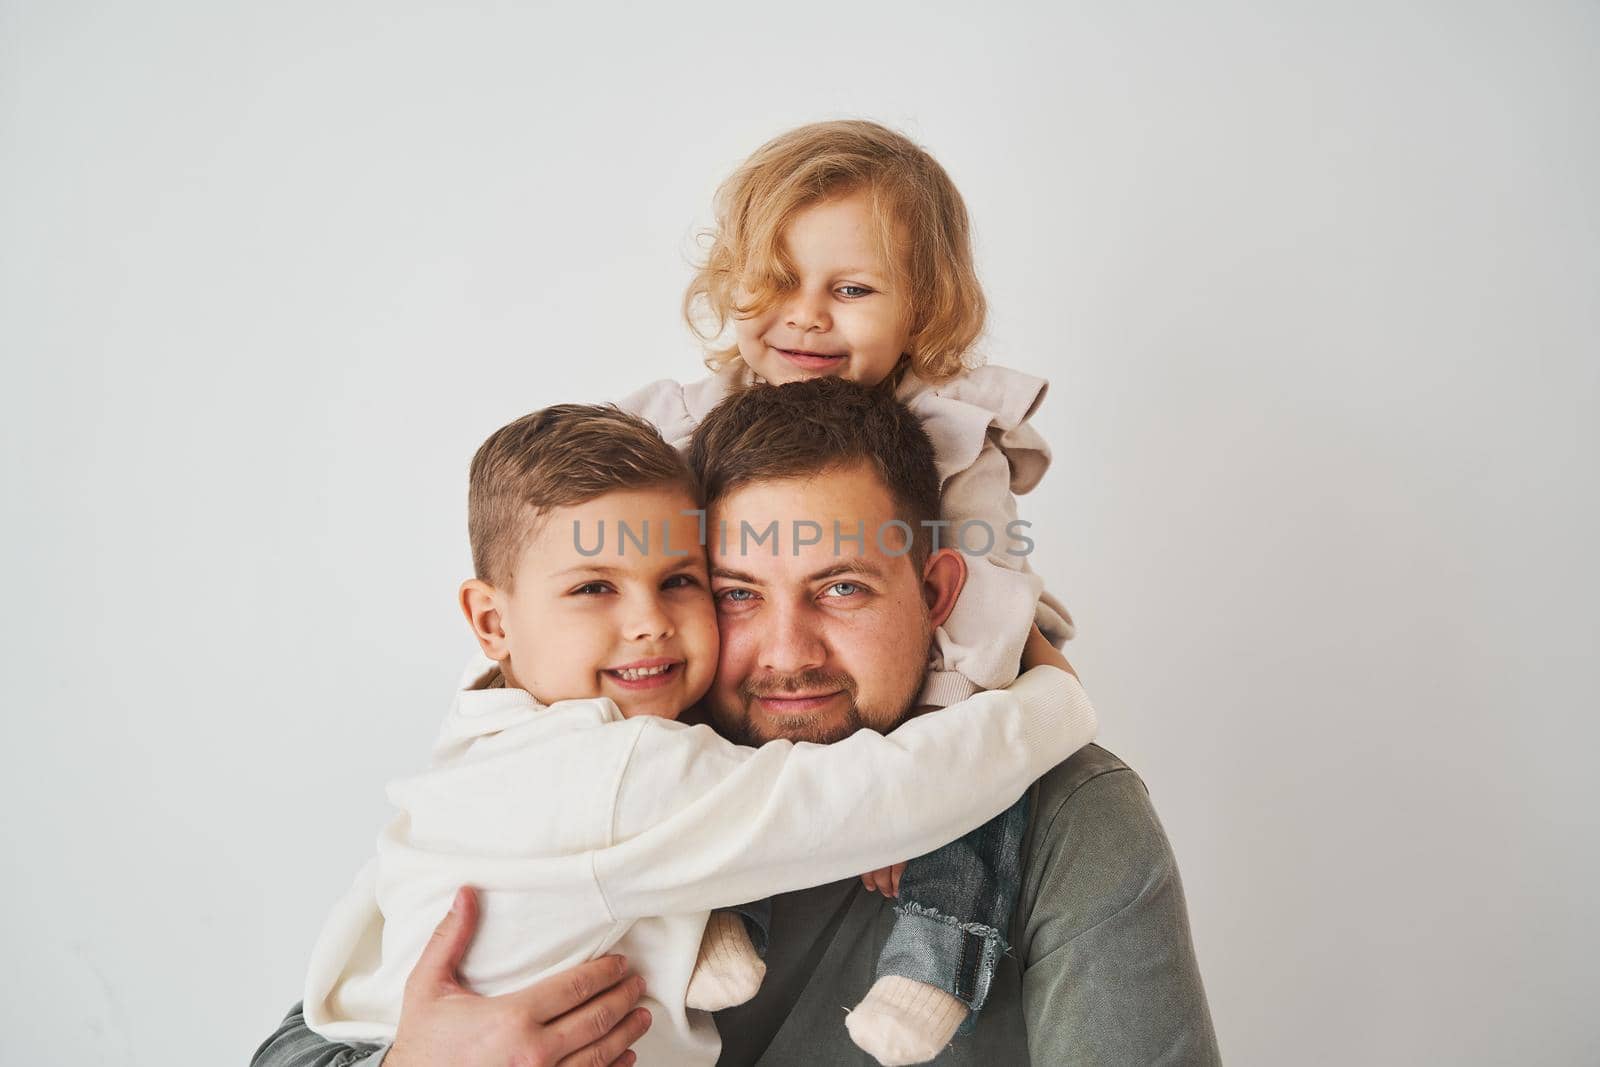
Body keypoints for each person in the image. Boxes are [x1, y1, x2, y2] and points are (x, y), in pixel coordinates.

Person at [252, 379, 1220, 1066]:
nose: (787, 651)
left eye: (840, 587)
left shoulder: (1065, 814)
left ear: (935, 592)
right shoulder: (583, 763)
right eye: (734, 593)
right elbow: (299, 1041)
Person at [622, 119, 1077, 1063]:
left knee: (995, 764)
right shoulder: (692, 421)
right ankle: (700, 907)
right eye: (775, 282)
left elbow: (989, 591)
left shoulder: (954, 436)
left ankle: (936, 958)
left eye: (854, 289)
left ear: (926, 308)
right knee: (675, 731)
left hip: (947, 669)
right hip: (751, 673)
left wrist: (917, 773)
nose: (805, 316)